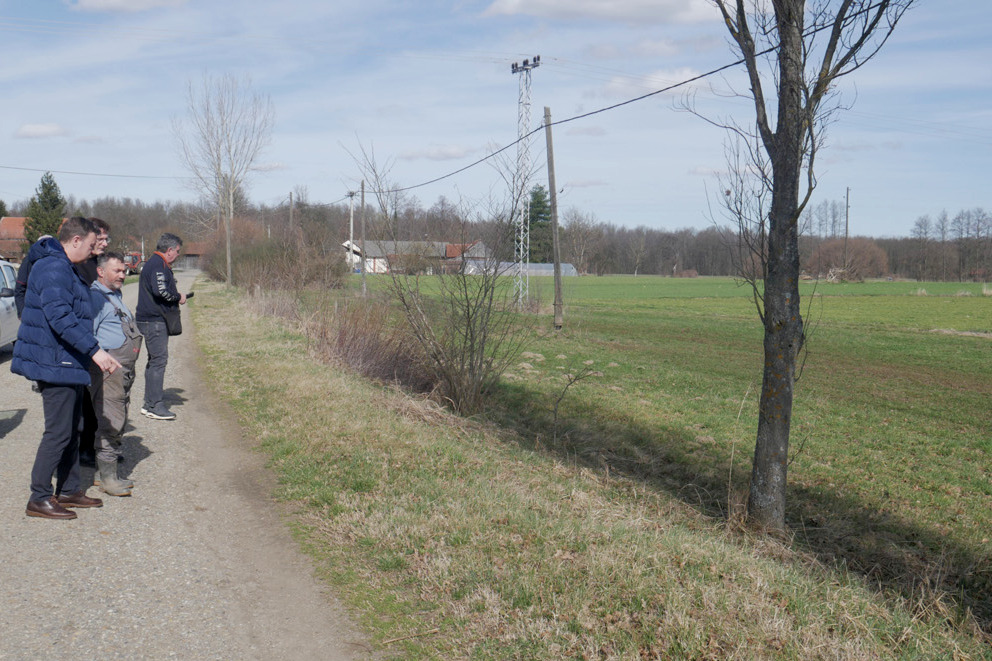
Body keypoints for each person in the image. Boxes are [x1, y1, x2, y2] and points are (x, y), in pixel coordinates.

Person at [12, 217, 122, 520]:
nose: (92, 252)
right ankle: (39, 497)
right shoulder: (53, 267)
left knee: (74, 429)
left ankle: (70, 489)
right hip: (54, 361)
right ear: (75, 240)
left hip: (68, 360)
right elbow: (60, 317)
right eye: (90, 245)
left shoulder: (66, 267)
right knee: (58, 433)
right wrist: (95, 351)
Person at [89, 251, 142, 496]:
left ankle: (103, 474)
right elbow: (86, 337)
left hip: (122, 374)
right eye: (117, 271)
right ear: (101, 272)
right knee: (111, 421)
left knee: (118, 417)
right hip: (107, 373)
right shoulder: (95, 299)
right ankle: (108, 480)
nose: (123, 274)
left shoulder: (115, 295)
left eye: (123, 270)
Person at [136, 233, 185, 421]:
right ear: (170, 249)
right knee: (159, 361)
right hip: (153, 321)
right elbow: (161, 291)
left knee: (154, 361)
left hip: (150, 320)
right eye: (177, 251)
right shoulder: (158, 264)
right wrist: (177, 297)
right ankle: (155, 405)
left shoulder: (156, 263)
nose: (178, 255)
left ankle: (150, 403)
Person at [75, 217, 110, 467]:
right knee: (83, 400)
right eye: (102, 238)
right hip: (81, 342)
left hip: (92, 339)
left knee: (90, 399)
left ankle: (88, 447)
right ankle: (82, 449)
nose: (105, 243)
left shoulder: (94, 263)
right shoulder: (77, 266)